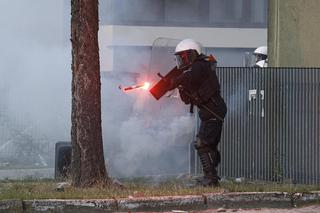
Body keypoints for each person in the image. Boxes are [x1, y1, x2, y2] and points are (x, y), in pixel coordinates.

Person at [171, 39, 227, 186]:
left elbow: (190, 76)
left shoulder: (201, 65)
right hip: (211, 111)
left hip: (213, 111)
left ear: (192, 54)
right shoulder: (197, 69)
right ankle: (210, 176)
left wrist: (177, 80)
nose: (181, 60)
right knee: (208, 144)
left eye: (183, 57)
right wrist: (180, 88)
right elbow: (188, 99)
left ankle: (211, 179)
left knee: (203, 143)